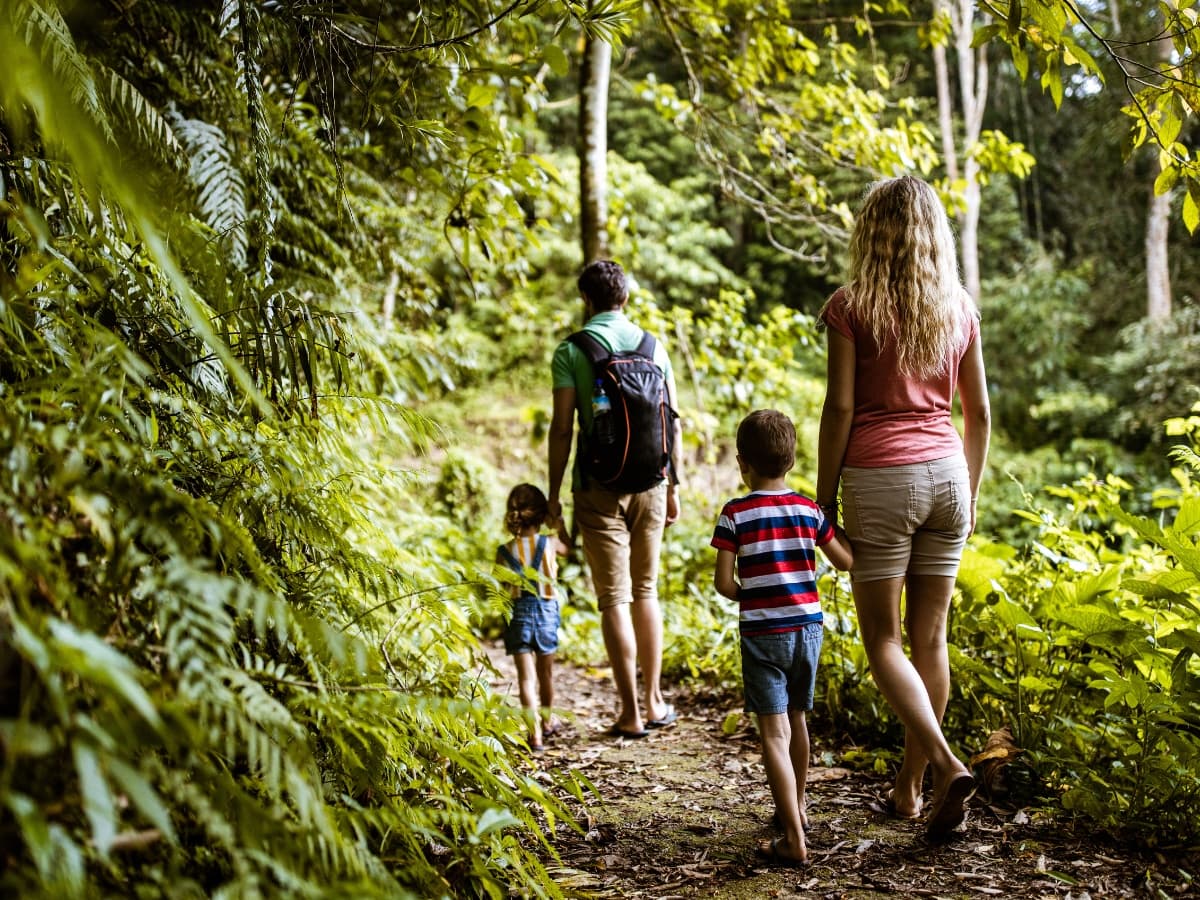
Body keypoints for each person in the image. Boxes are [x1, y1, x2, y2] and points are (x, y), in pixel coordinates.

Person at [815, 175, 991, 840]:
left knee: (884, 641)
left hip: (881, 478)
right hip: (947, 474)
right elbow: (978, 414)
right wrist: (967, 496)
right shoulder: (958, 308)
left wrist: (825, 497)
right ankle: (909, 791)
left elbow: (839, 408)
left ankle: (943, 766)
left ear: (871, 231)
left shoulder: (850, 305)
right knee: (931, 640)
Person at [711, 409, 854, 867]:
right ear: (791, 462)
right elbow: (845, 561)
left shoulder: (735, 514)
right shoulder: (809, 509)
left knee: (773, 733)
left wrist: (748, 595)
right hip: (807, 630)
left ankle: (792, 836)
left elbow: (724, 583)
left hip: (762, 632)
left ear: (742, 463)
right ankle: (798, 805)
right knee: (799, 720)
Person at [547, 259, 683, 738]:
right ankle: (655, 700)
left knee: (614, 598)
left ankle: (630, 712)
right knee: (646, 591)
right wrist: (675, 484)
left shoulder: (572, 350)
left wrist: (553, 495)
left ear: (587, 300)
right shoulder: (654, 346)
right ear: (624, 297)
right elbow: (672, 418)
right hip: (652, 481)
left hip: (596, 486)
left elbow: (563, 428)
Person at [496, 483, 570, 753]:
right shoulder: (550, 543)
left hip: (518, 614)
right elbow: (569, 549)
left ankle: (534, 734)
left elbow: (501, 588)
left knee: (525, 679)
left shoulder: (503, 551)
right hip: (547, 611)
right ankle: (548, 720)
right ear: (541, 515)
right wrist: (558, 523)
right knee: (546, 674)